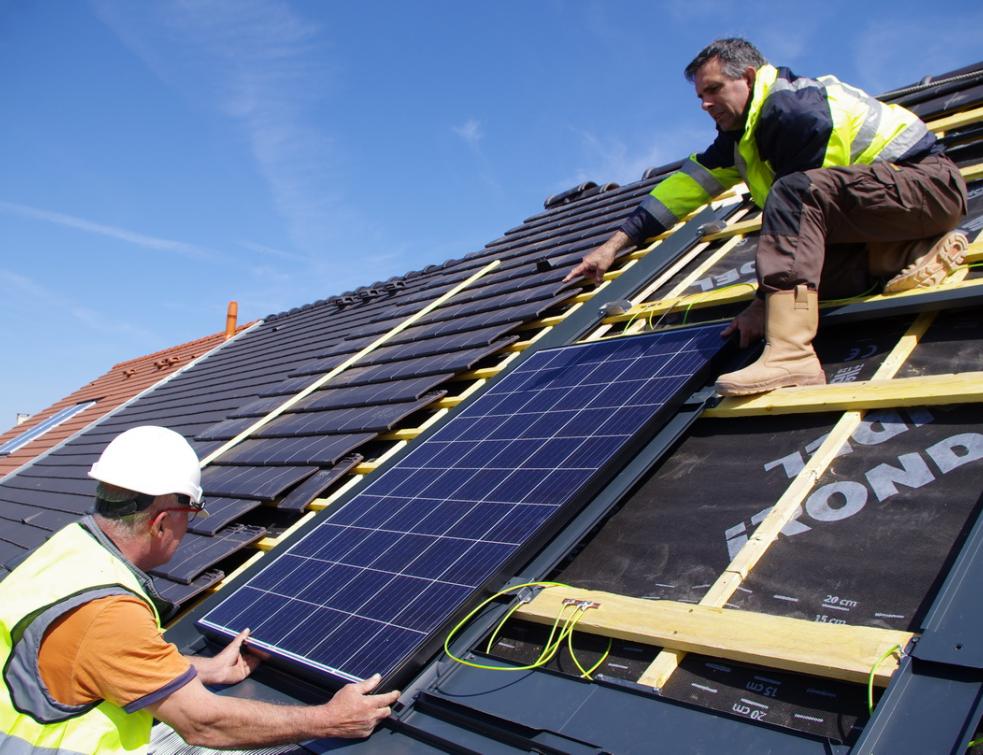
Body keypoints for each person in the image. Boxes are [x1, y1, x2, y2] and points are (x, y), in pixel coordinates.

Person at [564, 38, 968, 396]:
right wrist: (610, 247)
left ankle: (792, 355)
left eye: (714, 89)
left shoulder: (796, 111)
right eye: (700, 96)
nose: (705, 104)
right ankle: (910, 253)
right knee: (810, 279)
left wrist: (762, 306)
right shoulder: (742, 136)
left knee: (791, 218)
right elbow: (681, 191)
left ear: (750, 77)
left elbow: (804, 214)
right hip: (882, 214)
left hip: (926, 188)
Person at [0, 425, 399, 753]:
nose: (188, 530)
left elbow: (92, 661)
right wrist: (328, 719)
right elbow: (204, 725)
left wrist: (203, 668)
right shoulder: (108, 609)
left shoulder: (69, 551)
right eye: (188, 517)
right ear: (161, 522)